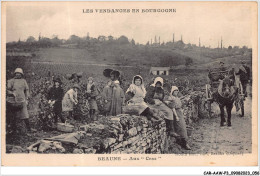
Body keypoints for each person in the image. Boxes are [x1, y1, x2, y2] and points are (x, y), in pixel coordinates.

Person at [6, 68, 32, 133]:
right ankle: (13, 129)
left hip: (22, 100)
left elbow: (27, 90)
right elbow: (7, 90)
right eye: (17, 73)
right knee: (13, 115)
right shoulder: (11, 81)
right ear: (15, 74)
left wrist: (27, 98)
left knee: (25, 115)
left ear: (21, 74)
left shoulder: (23, 81)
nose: (18, 75)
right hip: (13, 101)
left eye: (19, 74)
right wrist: (12, 93)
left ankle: (29, 129)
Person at [166, 86, 191, 150]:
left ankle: (182, 142)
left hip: (180, 113)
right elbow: (173, 108)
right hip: (175, 113)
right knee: (181, 128)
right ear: (172, 91)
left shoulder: (177, 98)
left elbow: (180, 105)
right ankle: (184, 143)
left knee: (183, 127)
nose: (176, 92)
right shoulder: (171, 98)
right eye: (175, 90)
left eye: (177, 90)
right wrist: (176, 116)